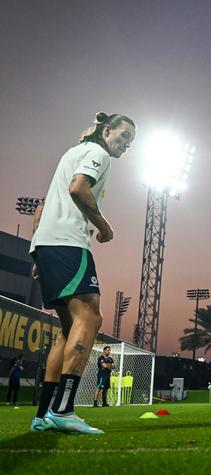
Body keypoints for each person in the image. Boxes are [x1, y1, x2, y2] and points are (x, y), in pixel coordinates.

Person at [29, 112, 136, 434]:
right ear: (107, 130)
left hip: (47, 246)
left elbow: (42, 207)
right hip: (68, 244)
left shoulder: (71, 153)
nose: (127, 144)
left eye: (131, 141)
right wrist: (103, 225)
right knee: (90, 317)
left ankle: (43, 414)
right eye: (124, 136)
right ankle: (64, 409)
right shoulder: (98, 153)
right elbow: (78, 188)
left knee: (68, 328)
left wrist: (39, 252)